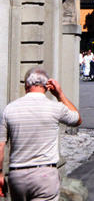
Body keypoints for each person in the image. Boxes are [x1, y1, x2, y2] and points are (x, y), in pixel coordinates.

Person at [0, 67, 81, 201]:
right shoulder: (55, 108)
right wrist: (60, 94)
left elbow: (1, 145)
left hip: (17, 175)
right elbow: (77, 119)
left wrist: (0, 174)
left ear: (26, 85)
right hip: (44, 174)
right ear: (47, 86)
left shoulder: (9, 109)